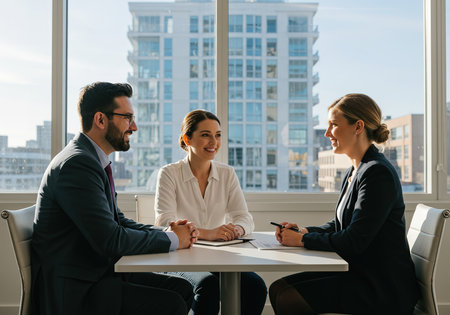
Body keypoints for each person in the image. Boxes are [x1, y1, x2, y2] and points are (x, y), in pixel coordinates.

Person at [31, 82, 199, 315]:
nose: (135, 127)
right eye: (127, 118)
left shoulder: (90, 159)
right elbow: (110, 240)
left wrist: (166, 233)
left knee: (182, 288)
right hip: (77, 290)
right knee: (172, 303)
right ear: (100, 120)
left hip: (95, 275)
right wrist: (173, 240)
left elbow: (117, 221)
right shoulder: (77, 165)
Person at [269, 94, 420, 315]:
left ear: (358, 126)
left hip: (381, 287)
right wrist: (304, 231)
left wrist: (302, 240)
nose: (327, 132)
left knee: (286, 296)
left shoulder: (377, 173)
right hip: (360, 272)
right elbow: (341, 224)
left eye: (333, 125)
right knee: (278, 288)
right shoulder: (355, 170)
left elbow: (354, 240)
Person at [154, 109, 267, 315]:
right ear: (187, 139)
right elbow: (165, 221)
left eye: (218, 135)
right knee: (208, 286)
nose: (213, 142)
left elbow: (244, 217)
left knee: (255, 286)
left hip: (220, 257)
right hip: (180, 258)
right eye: (205, 135)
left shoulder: (227, 173)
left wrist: (237, 229)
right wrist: (208, 233)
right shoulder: (169, 173)